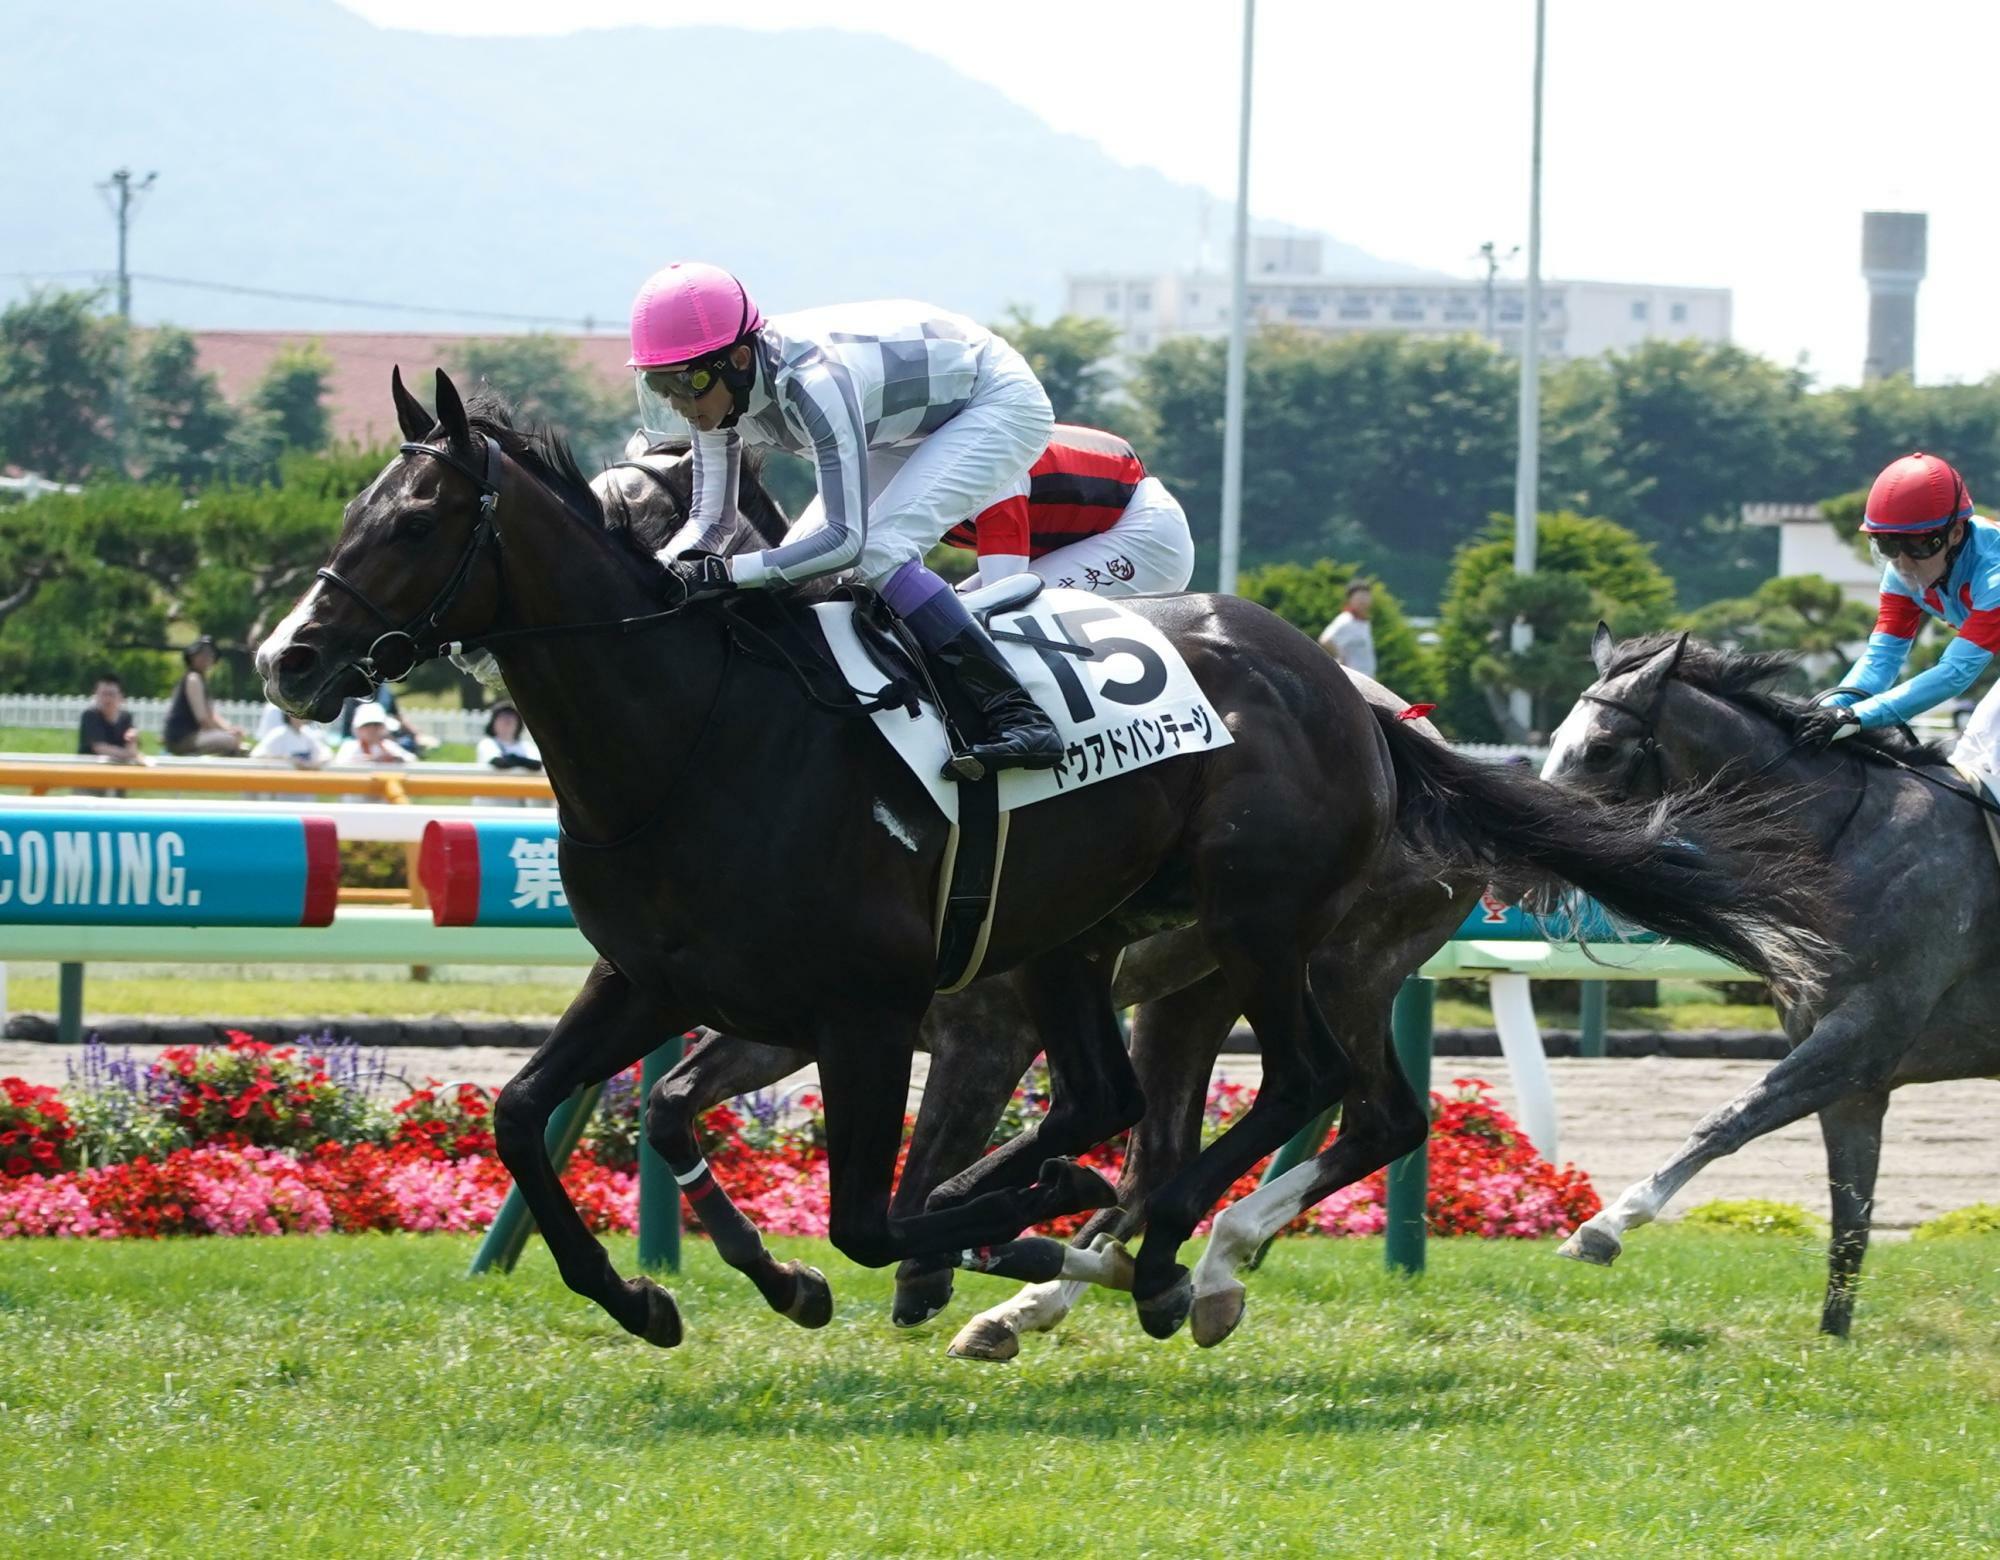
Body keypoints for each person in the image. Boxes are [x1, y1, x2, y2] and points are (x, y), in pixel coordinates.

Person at [627, 261, 1061, 777]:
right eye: (662, 388)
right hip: (905, 421)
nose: (679, 406)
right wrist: (661, 568)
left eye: (686, 385)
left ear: (739, 360)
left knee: (876, 551)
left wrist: (725, 573)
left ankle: (1020, 716)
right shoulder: (715, 395)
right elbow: (711, 525)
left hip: (995, 399)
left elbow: (846, 542)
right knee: (799, 578)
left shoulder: (814, 383)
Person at [1804, 452, 2000, 774]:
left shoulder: (1994, 577)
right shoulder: (1902, 574)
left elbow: (1954, 673)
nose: (1905, 564)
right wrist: (1824, 710)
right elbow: (1881, 660)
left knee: (1983, 756)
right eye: (1889, 546)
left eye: (1921, 546)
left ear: (1955, 533)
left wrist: (1856, 717)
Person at [943, 424, 1195, 596]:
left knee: (988, 618)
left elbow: (1002, 593)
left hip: (1143, 534)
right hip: (1095, 531)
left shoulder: (987, 473)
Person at [161, 637, 246, 756]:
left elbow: (212, 715)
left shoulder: (201, 680)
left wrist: (230, 728)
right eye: (201, 653)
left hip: (192, 736)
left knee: (233, 740)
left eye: (209, 654)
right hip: (182, 738)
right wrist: (227, 734)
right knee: (230, 741)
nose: (206, 657)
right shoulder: (193, 679)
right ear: (192, 656)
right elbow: (203, 719)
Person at [77, 673, 144, 764]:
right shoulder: (90, 715)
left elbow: (133, 747)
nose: (107, 699)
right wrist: (128, 754)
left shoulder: (126, 717)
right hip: (92, 770)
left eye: (111, 694)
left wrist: (133, 740)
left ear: (121, 697)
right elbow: (100, 748)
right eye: (103, 694)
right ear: (96, 695)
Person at [1318, 581, 1378, 677]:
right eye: (1360, 597)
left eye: (1366, 596)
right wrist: (1340, 657)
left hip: (1366, 678)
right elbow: (1325, 639)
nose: (1363, 601)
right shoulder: (1345, 620)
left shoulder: (1364, 622)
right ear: (1350, 599)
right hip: (1352, 679)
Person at [331, 703, 415, 767]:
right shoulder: (350, 746)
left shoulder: (389, 745)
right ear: (358, 729)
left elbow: (411, 760)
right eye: (367, 725)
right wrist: (366, 761)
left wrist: (395, 759)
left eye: (376, 725)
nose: (372, 729)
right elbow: (340, 765)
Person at [250, 708, 332, 768]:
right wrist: (288, 760)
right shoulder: (279, 734)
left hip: (304, 786)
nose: (301, 717)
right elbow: (257, 755)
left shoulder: (307, 733)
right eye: (298, 713)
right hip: (283, 786)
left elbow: (325, 753)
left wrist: (316, 763)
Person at [475, 703, 542, 773]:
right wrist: (522, 762)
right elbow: (498, 762)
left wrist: (513, 759)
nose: (507, 721)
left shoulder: (528, 747)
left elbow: (537, 764)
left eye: (511, 717)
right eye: (502, 717)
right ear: (493, 723)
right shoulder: (487, 743)